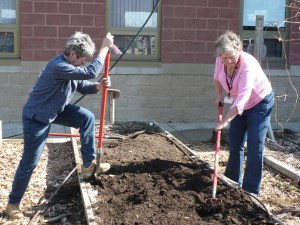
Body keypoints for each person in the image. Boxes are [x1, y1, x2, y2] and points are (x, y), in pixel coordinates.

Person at [6, 31, 114, 220]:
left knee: (86, 118)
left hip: (55, 110)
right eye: (82, 59)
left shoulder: (71, 67)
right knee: (29, 163)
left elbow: (82, 85)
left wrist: (98, 86)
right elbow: (90, 72)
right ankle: (12, 204)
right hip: (36, 118)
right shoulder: (58, 66)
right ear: (72, 53)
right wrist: (104, 48)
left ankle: (88, 164)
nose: (83, 63)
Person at [213, 31, 274, 196]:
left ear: (238, 50)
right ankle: (232, 181)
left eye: (231, 57)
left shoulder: (248, 67)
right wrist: (220, 96)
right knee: (235, 141)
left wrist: (224, 122)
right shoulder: (221, 60)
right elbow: (217, 79)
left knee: (255, 144)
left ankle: (250, 190)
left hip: (259, 102)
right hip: (239, 104)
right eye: (224, 58)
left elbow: (242, 100)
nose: (227, 61)